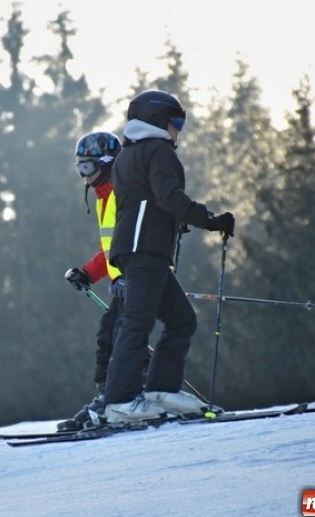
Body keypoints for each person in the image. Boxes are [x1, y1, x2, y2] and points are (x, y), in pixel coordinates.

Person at [102, 89, 235, 425]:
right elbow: (168, 197)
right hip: (144, 248)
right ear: (156, 121)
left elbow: (149, 199)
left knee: (181, 319)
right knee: (138, 323)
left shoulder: (128, 155)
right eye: (176, 121)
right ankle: (119, 402)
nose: (179, 130)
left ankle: (160, 390)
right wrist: (211, 220)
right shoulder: (158, 151)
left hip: (142, 249)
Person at [62, 131, 124, 431]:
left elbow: (132, 242)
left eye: (87, 167)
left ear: (106, 162)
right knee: (110, 334)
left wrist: (126, 273)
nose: (83, 176)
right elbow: (110, 250)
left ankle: (121, 397)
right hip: (124, 279)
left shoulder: (120, 192)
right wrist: (88, 273)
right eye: (79, 169)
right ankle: (110, 396)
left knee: (117, 335)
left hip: (137, 277)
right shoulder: (104, 196)